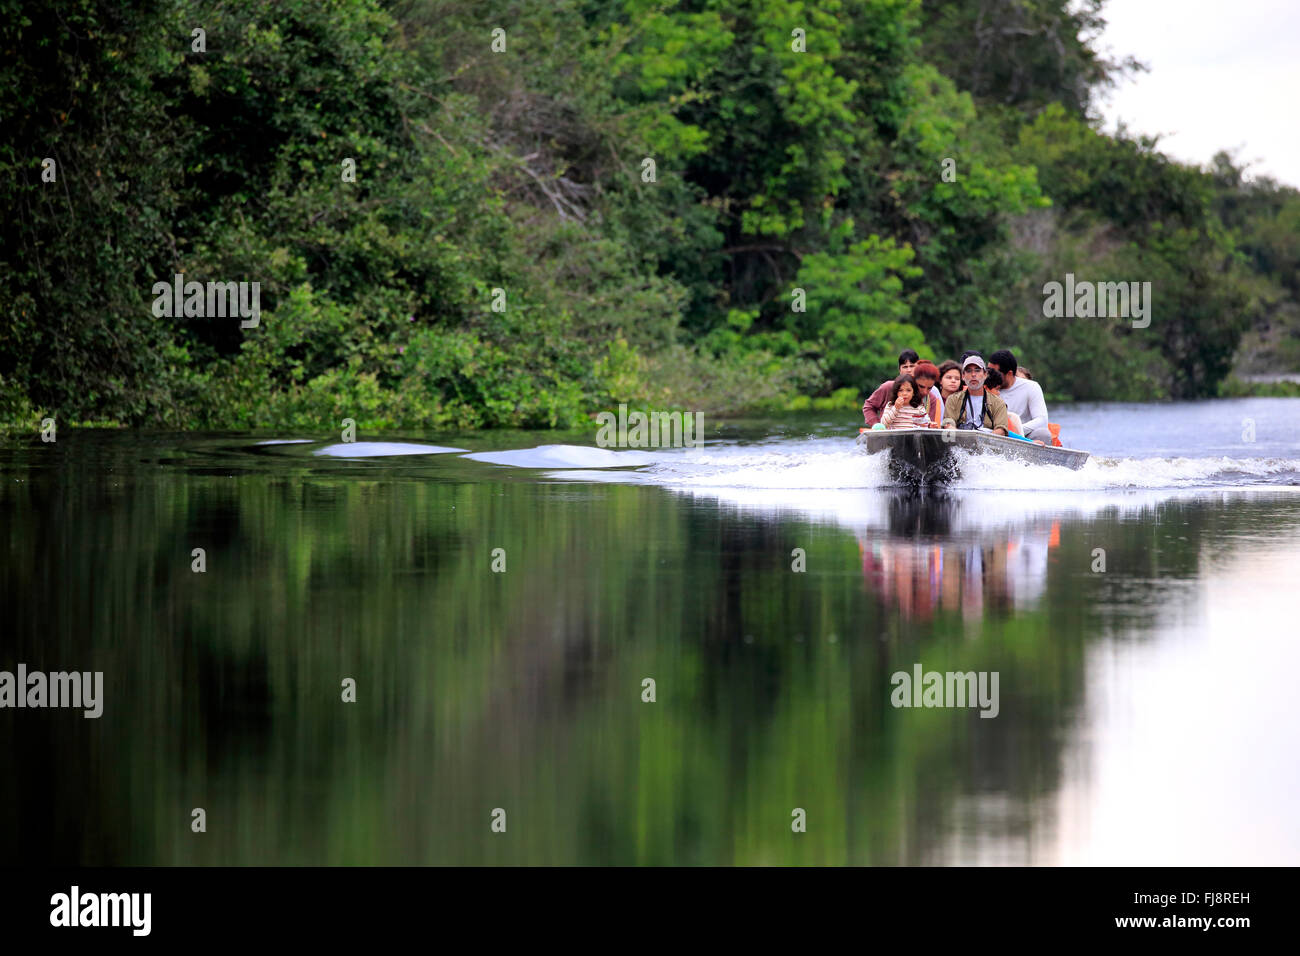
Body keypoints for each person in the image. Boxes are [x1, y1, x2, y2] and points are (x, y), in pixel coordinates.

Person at [987, 349, 1048, 440]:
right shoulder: (984, 387)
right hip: (993, 434)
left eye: (994, 372)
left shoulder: (1031, 387)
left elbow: (1042, 420)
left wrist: (1015, 431)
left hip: (1023, 436)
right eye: (988, 370)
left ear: (1009, 374)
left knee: (1043, 434)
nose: (989, 375)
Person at [942, 354, 1008, 435]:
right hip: (960, 442)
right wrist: (959, 435)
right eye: (969, 371)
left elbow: (1001, 429)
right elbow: (948, 422)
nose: (973, 374)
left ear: (985, 374)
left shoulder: (998, 403)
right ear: (963, 376)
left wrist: (982, 442)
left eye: (977, 370)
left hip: (987, 444)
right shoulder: (953, 399)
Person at [985, 368, 1044, 444]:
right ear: (986, 388)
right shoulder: (967, 399)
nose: (999, 393)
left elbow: (1006, 431)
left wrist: (1029, 442)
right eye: (997, 389)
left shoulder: (997, 407)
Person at [863, 350, 919, 425]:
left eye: (912, 366)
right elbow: (868, 406)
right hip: (887, 433)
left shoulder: (927, 390)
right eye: (905, 367)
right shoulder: (888, 386)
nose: (909, 370)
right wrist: (876, 425)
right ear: (900, 370)